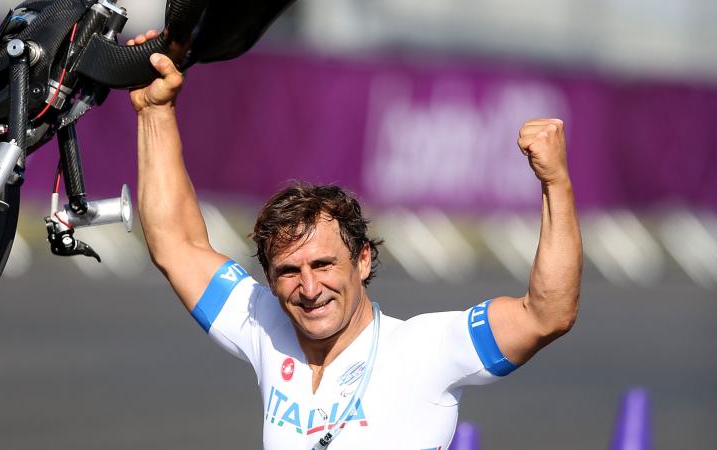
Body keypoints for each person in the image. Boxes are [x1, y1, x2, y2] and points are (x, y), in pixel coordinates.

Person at [129, 31, 582, 449]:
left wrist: (555, 184)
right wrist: (155, 112)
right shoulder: (265, 325)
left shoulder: (423, 350)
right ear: (269, 278)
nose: (309, 289)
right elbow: (177, 244)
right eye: (289, 271)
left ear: (363, 260)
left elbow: (547, 315)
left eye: (324, 264)